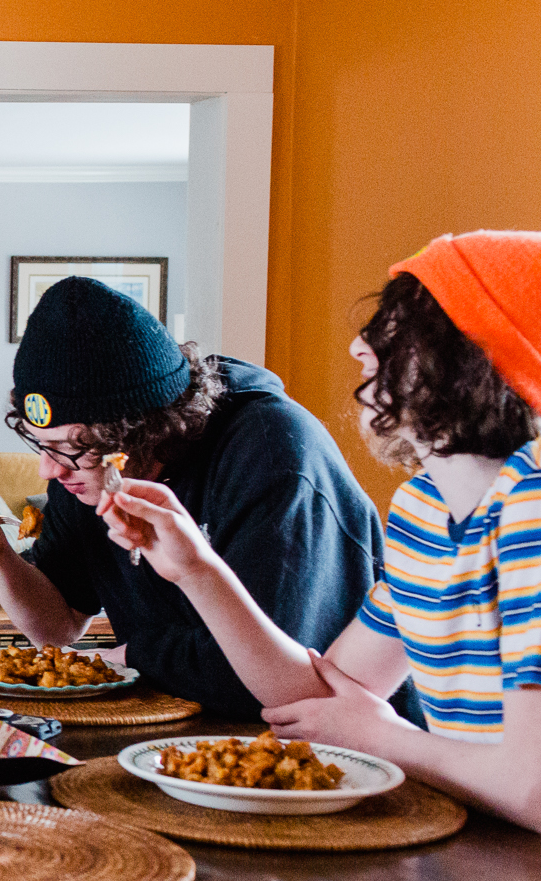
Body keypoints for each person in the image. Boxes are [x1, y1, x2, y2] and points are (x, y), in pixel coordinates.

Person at [103, 232, 541, 828]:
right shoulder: (424, 510)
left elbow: (533, 789)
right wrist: (196, 569)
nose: (362, 348)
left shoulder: (533, 511)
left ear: (477, 356)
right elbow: (317, 700)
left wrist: (387, 738)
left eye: (399, 330)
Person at [0, 276, 392, 720]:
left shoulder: (273, 454)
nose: (50, 470)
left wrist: (125, 657)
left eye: (75, 449)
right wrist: (1, 558)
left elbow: (268, 677)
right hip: (168, 722)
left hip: (328, 746)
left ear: (145, 432)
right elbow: (58, 630)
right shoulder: (82, 467)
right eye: (43, 444)